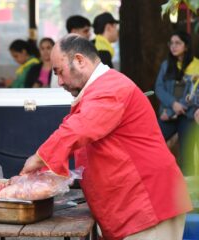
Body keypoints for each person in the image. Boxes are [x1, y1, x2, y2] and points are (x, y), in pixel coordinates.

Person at [20, 34, 192, 240]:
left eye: (60, 72)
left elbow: (77, 129)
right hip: (131, 204)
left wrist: (38, 158)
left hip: (146, 203)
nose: (59, 81)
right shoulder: (98, 88)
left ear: (79, 60)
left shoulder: (111, 88)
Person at [155, 30, 199, 176]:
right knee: (153, 141)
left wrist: (177, 108)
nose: (173, 46)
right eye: (171, 43)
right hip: (169, 113)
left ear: (186, 46)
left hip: (188, 115)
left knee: (186, 155)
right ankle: (159, 176)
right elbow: (159, 88)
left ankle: (190, 194)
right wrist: (173, 105)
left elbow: (195, 94)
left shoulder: (196, 66)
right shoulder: (166, 65)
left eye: (178, 43)